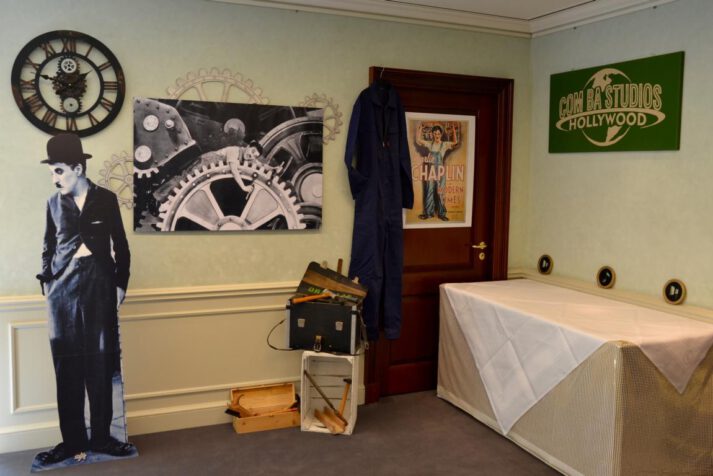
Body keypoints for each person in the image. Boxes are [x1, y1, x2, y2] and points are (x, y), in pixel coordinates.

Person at [35, 133, 135, 465]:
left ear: (77, 168)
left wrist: (120, 284)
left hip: (99, 282)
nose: (54, 178)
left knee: (100, 362)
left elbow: (121, 244)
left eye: (59, 171)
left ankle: (102, 438)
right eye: (52, 172)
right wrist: (47, 283)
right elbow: (48, 246)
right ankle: (72, 441)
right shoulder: (52, 203)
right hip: (61, 287)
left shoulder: (105, 199)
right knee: (66, 364)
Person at [414, 123, 460, 221]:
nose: (437, 135)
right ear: (432, 134)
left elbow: (455, 142)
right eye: (435, 134)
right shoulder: (430, 144)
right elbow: (418, 140)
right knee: (429, 191)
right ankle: (428, 213)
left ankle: (442, 214)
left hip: (440, 171)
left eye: (438, 133)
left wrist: (453, 130)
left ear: (441, 134)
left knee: (440, 192)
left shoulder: (444, 144)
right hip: (431, 171)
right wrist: (420, 129)